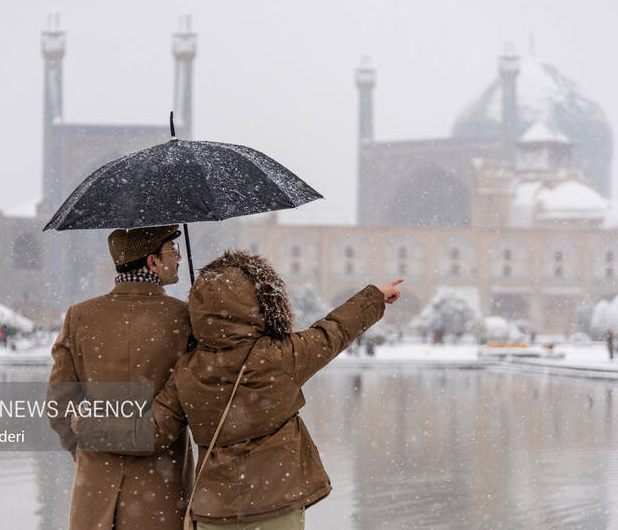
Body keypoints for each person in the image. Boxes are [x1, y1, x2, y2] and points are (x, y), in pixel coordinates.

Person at [73, 250, 402, 529]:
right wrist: (374, 296)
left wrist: (94, 426)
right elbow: (333, 331)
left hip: (216, 512)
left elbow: (153, 431)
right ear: (263, 302)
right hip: (279, 503)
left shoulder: (188, 372)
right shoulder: (283, 357)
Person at [47, 225, 194, 530]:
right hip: (162, 499)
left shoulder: (79, 316)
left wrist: (90, 450)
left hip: (94, 499)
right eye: (172, 251)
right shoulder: (184, 318)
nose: (179, 258)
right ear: (152, 262)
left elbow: (59, 406)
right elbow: (194, 404)